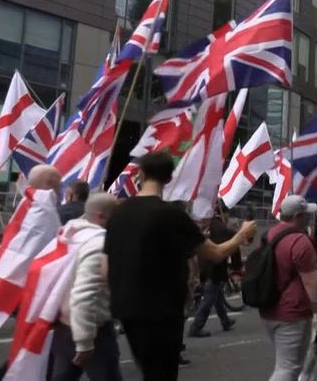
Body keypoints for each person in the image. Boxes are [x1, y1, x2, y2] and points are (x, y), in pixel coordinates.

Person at [104, 152, 256, 381]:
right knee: (162, 373)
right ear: (168, 179)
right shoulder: (172, 215)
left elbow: (105, 265)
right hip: (163, 309)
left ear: (140, 174)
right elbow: (215, 253)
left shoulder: (118, 213)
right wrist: (242, 235)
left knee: (148, 368)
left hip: (127, 307)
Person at [51, 193, 123, 381]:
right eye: (117, 214)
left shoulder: (70, 235)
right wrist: (84, 342)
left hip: (66, 325)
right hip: (92, 328)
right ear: (101, 216)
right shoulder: (99, 244)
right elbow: (84, 294)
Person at [259, 195, 317, 381]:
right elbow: (311, 282)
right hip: (293, 311)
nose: (309, 218)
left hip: (269, 306)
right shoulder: (300, 241)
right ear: (298, 216)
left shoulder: (269, 234)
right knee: (288, 368)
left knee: (284, 363)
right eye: (306, 215)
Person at [188, 202, 240, 337]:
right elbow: (232, 247)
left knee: (217, 297)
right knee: (209, 299)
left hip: (204, 267)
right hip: (216, 268)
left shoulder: (206, 226)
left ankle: (225, 321)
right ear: (224, 213)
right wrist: (236, 268)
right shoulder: (221, 228)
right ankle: (196, 326)